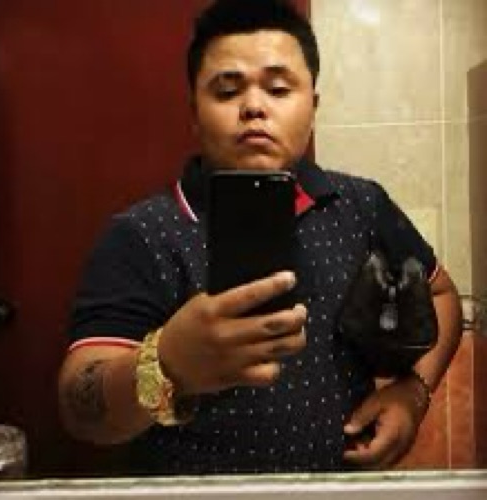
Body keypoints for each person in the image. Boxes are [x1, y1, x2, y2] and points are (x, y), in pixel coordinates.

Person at [58, 0, 462, 475]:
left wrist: (413, 394)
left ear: (313, 106)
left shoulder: (361, 205)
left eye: (278, 88)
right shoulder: (140, 235)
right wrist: (166, 365)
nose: (253, 106)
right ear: (194, 114)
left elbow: (441, 294)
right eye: (228, 91)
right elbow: (79, 409)